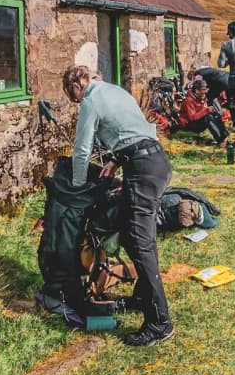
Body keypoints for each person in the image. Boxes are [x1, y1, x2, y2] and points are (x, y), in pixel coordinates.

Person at [62, 65, 174, 347]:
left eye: (72, 97)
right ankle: (141, 297)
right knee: (129, 232)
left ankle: (159, 323)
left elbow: (82, 149)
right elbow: (135, 131)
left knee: (140, 242)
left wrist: (77, 187)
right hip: (155, 160)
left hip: (143, 168)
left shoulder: (90, 100)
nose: (75, 103)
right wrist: (116, 159)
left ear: (76, 87)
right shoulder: (114, 90)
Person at [175, 76, 228, 145]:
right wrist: (206, 111)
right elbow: (192, 118)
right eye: (203, 89)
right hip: (187, 124)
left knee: (215, 114)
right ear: (197, 90)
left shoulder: (201, 97)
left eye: (206, 89)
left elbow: (204, 110)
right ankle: (220, 141)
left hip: (197, 121)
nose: (205, 91)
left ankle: (224, 135)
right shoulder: (188, 101)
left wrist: (211, 110)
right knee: (207, 117)